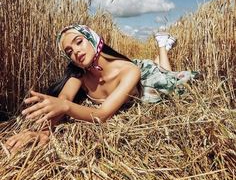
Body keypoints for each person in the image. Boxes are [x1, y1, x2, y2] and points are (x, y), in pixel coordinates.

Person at [5, 24, 198, 153]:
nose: (76, 52)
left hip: (143, 82)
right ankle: (160, 53)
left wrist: (65, 107)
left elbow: (102, 114)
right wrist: (43, 132)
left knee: (166, 76)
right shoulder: (79, 73)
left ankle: (163, 45)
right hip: (129, 78)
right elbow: (64, 98)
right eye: (69, 52)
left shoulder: (130, 71)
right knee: (162, 71)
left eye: (79, 42)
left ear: (93, 39)